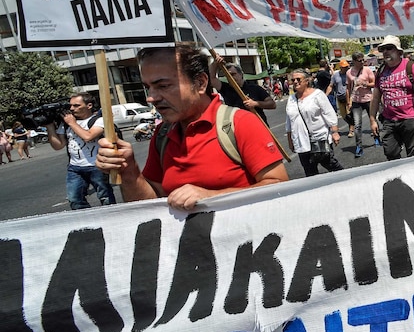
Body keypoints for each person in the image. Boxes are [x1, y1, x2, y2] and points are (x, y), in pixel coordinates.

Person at [95, 43, 287, 210]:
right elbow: (150, 204)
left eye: (163, 86)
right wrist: (129, 172)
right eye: (148, 87)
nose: (151, 97)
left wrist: (211, 197)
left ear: (200, 83)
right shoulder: (162, 135)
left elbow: (280, 187)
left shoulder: (241, 123)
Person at [45, 92, 117, 210]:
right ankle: (86, 224)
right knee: (75, 199)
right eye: (71, 106)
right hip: (75, 167)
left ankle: (111, 220)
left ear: (89, 106)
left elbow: (88, 136)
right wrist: (50, 127)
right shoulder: (66, 123)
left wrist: (72, 123)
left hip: (97, 166)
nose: (72, 109)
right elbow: (58, 146)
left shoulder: (98, 120)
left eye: (76, 105)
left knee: (105, 197)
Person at [369, 35, 414, 159]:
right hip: (388, 120)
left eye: (389, 48)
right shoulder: (380, 71)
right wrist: (372, 120)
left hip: (409, 118)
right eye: (383, 49)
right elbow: (375, 98)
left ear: (399, 51)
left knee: (413, 156)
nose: (386, 51)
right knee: (390, 153)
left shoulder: (410, 67)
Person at [285, 69, 344, 177]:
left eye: (299, 79)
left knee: (331, 165)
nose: (295, 82)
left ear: (307, 81)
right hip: (301, 142)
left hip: (319, 138)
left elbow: (329, 114)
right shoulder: (291, 99)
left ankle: (346, 180)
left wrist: (335, 132)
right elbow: (289, 122)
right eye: (293, 80)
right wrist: (290, 140)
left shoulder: (317, 95)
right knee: (310, 172)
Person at [209, 56, 277, 125]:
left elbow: (272, 104)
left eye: (233, 74)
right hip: (239, 128)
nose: (231, 77)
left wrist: (255, 103)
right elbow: (212, 79)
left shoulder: (255, 88)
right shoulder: (225, 89)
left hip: (259, 125)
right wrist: (215, 63)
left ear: (241, 74)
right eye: (228, 75)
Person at [346, 51, 376, 157]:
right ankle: (359, 146)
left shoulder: (367, 70)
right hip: (356, 101)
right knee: (357, 125)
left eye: (363, 60)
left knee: (373, 120)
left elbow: (374, 83)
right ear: (354, 61)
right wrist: (348, 102)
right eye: (360, 60)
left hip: (368, 99)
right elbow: (348, 88)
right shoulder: (349, 72)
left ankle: (376, 138)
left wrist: (365, 84)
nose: (362, 62)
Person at [329, 59, 352, 134]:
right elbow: (331, 85)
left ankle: (351, 130)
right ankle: (352, 124)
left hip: (349, 97)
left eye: (346, 67)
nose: (345, 68)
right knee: (344, 116)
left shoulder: (349, 74)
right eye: (344, 67)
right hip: (340, 97)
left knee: (349, 114)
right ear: (340, 67)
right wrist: (325, 95)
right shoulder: (335, 75)